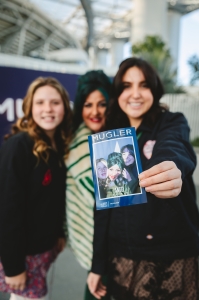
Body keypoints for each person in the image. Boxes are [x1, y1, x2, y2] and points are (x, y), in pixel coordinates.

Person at [87, 57, 199, 300]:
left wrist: (172, 167)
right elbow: (103, 208)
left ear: (155, 90)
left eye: (144, 85)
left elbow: (175, 146)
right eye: (126, 86)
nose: (135, 94)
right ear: (117, 92)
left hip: (174, 250)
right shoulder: (108, 138)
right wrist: (97, 265)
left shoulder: (172, 122)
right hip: (125, 252)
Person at [0, 77, 73, 300]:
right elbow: (7, 211)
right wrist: (13, 267)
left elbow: (52, 200)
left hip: (43, 251)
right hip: (23, 257)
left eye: (55, 102)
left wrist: (59, 233)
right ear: (30, 108)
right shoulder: (19, 145)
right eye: (40, 103)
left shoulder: (58, 145)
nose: (48, 109)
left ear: (64, 107)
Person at [65, 70, 111, 300]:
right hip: (97, 247)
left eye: (102, 104)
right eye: (87, 104)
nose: (95, 112)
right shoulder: (73, 144)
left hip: (125, 243)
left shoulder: (117, 142)